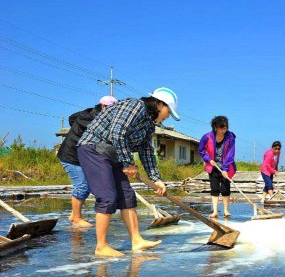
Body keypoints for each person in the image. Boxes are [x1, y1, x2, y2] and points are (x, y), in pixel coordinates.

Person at [77, 87, 180, 257]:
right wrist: (128, 163)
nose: (168, 116)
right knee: (108, 196)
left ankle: (136, 240)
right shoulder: (134, 106)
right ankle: (101, 246)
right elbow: (118, 133)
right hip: (94, 149)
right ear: (160, 104)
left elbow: (146, 151)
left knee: (127, 196)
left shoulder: (149, 124)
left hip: (114, 154)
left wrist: (156, 179)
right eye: (168, 111)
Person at [57, 96, 118, 227]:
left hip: (81, 156)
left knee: (87, 185)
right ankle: (77, 218)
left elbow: (71, 118)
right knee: (82, 186)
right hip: (71, 155)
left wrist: (75, 131)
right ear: (103, 106)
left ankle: (74, 215)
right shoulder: (94, 120)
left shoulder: (86, 113)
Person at [198, 116, 236, 218]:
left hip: (226, 167)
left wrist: (225, 169)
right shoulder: (207, 137)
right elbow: (201, 150)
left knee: (225, 189)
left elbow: (230, 154)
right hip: (213, 166)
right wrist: (208, 159)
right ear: (215, 127)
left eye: (225, 127)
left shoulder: (230, 137)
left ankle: (226, 210)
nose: (224, 129)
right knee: (214, 189)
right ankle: (215, 211)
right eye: (222, 127)